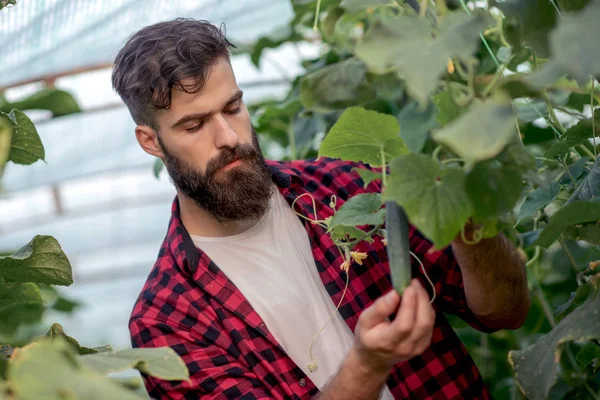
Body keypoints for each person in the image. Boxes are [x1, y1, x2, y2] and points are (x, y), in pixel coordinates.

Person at [112, 18, 530, 400]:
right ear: (150, 141)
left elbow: (505, 311)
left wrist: (467, 222)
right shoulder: (167, 318)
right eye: (194, 125)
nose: (227, 137)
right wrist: (368, 365)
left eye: (233, 108)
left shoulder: (347, 189)